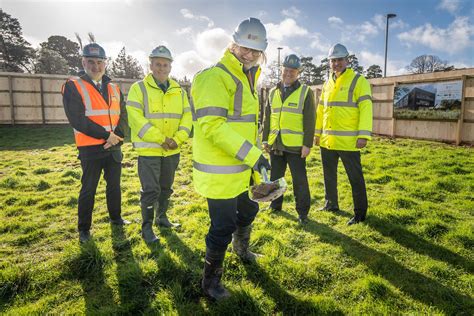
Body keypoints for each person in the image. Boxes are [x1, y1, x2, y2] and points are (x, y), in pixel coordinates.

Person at [191, 17, 270, 300]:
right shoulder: (214, 77)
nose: (248, 54)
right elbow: (213, 126)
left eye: (255, 50)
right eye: (244, 47)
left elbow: (245, 126)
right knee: (222, 226)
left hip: (241, 168)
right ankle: (210, 283)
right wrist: (254, 155)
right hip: (220, 172)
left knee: (249, 211)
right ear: (232, 44)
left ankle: (242, 250)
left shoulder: (247, 77)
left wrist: (256, 158)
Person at [62, 43, 130, 243]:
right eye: (90, 62)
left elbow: (123, 115)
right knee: (89, 188)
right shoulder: (73, 85)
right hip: (90, 147)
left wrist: (117, 136)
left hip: (114, 145)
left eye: (99, 62)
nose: (95, 66)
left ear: (105, 63)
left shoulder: (114, 87)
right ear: (83, 62)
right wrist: (106, 136)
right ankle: (84, 229)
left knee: (114, 186)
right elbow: (77, 119)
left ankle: (116, 218)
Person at [126, 46, 192, 243]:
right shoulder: (138, 88)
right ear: (151, 65)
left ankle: (162, 218)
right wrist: (161, 139)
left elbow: (187, 117)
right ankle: (146, 228)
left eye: (165, 64)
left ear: (170, 67)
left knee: (166, 188)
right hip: (149, 150)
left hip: (172, 150)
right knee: (150, 190)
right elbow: (135, 118)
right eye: (158, 64)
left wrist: (177, 139)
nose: (162, 68)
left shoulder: (179, 91)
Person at [314, 43, 373, 225]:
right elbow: (321, 110)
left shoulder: (358, 81)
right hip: (328, 141)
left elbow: (366, 108)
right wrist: (316, 134)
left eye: (339, 59)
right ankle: (331, 204)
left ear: (347, 60)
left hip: (349, 141)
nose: (336, 63)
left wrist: (363, 135)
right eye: (333, 60)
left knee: (355, 179)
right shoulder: (327, 84)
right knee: (328, 175)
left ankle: (360, 214)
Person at [262, 54, 315, 225]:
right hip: (276, 143)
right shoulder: (273, 92)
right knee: (276, 177)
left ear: (298, 72)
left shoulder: (305, 92)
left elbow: (310, 119)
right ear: (281, 70)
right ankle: (275, 206)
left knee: (300, 180)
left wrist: (307, 144)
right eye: (286, 70)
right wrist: (265, 140)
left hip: (295, 146)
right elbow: (267, 118)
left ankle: (302, 213)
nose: (288, 73)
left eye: (292, 70)